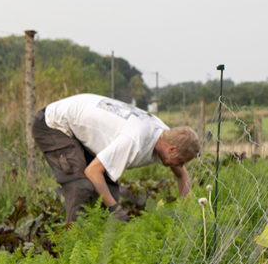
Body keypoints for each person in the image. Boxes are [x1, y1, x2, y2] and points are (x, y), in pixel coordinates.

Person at [32, 93, 200, 222]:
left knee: (108, 188)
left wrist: (186, 214)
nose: (180, 165)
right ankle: (71, 246)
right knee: (81, 187)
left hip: (83, 120)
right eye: (181, 161)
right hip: (54, 124)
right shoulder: (135, 139)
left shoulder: (166, 135)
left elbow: (181, 174)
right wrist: (115, 210)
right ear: (172, 149)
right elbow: (92, 172)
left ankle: (99, 241)